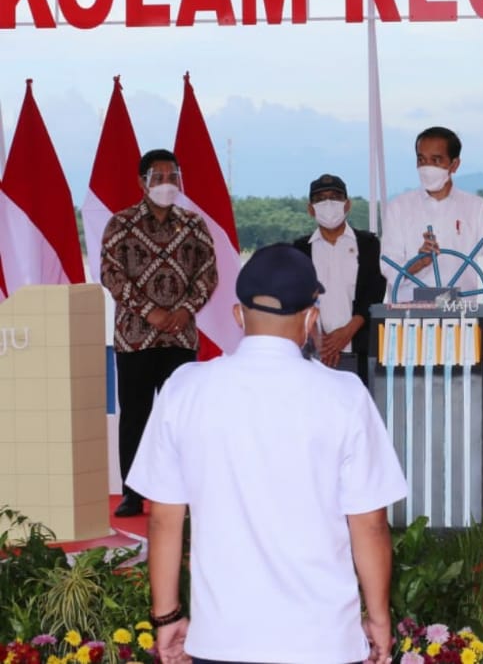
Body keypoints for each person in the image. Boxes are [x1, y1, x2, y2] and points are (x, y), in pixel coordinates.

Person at [127, 243, 408, 664]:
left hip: (221, 640)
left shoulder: (185, 389)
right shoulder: (344, 396)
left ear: (238, 316)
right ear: (312, 317)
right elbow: (369, 526)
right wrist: (380, 619)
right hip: (324, 641)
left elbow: (165, 519)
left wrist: (166, 617)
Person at [100, 148, 218, 519]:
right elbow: (111, 274)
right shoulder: (120, 224)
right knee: (136, 415)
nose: (167, 184)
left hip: (180, 338)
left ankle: (179, 491)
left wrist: (183, 310)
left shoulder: (194, 225)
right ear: (142, 181)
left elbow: (208, 274)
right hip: (135, 336)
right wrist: (152, 312)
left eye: (173, 177)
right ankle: (133, 493)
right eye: (159, 177)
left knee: (179, 417)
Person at [380, 126, 483, 302]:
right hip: (409, 318)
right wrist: (419, 263)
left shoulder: (476, 208)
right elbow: (388, 265)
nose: (426, 167)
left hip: (462, 315)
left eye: (436, 160)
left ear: (454, 165)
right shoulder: (398, 208)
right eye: (422, 160)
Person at [292, 173, 387, 386]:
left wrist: (347, 332)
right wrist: (321, 342)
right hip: (315, 354)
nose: (328, 203)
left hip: (361, 352)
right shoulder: (300, 249)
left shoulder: (369, 244)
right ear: (310, 209)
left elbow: (374, 292)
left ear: (347, 205)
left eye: (335, 197)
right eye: (320, 198)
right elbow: (299, 297)